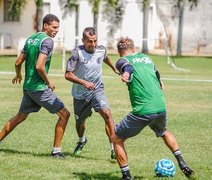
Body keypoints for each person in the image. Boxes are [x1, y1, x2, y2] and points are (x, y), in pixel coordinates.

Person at [111, 37, 195, 179]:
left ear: (120, 52)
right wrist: (159, 81)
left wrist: (126, 73)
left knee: (116, 138)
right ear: (133, 48)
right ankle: (182, 162)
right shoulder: (146, 58)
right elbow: (156, 72)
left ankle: (126, 176)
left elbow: (128, 67)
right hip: (160, 106)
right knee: (163, 132)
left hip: (143, 110)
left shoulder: (121, 61)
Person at [0, 14, 70, 158]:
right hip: (39, 88)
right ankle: (56, 151)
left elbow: (18, 62)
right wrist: (48, 81)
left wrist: (18, 75)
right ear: (45, 25)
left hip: (28, 87)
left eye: (58, 28)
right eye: (54, 27)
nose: (56, 30)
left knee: (20, 117)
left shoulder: (31, 38)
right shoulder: (47, 41)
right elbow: (39, 66)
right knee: (65, 114)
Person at [65, 27, 118, 159]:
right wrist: (84, 82)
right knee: (80, 123)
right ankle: (82, 140)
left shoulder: (101, 49)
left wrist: (114, 68)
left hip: (97, 89)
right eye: (89, 41)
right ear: (83, 40)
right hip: (80, 95)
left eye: (95, 41)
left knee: (107, 113)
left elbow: (105, 57)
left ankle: (114, 148)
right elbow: (67, 75)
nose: (93, 44)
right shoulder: (77, 53)